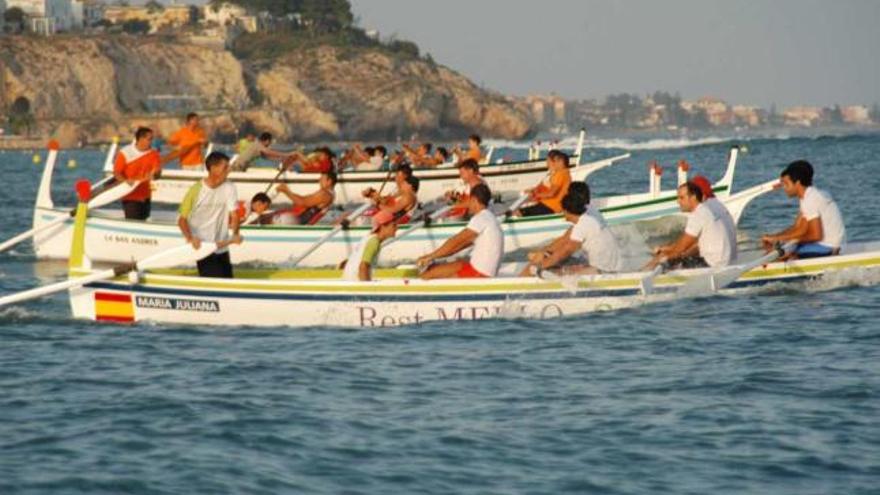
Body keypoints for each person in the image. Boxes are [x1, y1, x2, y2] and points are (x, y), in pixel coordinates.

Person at [521, 182, 622, 276]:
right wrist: (544, 252)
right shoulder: (587, 210)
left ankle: (519, 283)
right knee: (541, 256)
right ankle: (521, 280)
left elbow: (565, 252)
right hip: (608, 262)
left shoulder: (583, 223)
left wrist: (539, 267)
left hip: (602, 270)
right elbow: (565, 239)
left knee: (547, 268)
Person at [761, 160, 845, 259]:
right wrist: (775, 238)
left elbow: (816, 235)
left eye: (786, 184)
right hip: (831, 243)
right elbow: (799, 228)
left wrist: (780, 240)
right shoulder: (809, 195)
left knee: (783, 256)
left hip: (828, 246)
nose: (784, 188)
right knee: (783, 250)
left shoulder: (811, 199)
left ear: (797, 183)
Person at [643, 181, 737, 270]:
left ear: (693, 197)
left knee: (665, 260)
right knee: (671, 256)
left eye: (682, 198)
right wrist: (667, 249)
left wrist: (663, 257)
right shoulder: (706, 209)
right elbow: (688, 244)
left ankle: (641, 275)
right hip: (722, 260)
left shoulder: (698, 214)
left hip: (713, 264)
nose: (678, 201)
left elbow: (681, 248)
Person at [416, 183, 503, 279]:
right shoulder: (490, 217)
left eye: (469, 200)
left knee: (428, 275)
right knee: (455, 264)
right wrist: (434, 258)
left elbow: (455, 241)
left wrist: (430, 257)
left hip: (478, 274)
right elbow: (457, 247)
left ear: (473, 200)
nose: (468, 205)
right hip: (482, 271)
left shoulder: (480, 218)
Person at [177, 152, 243, 278]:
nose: (229, 170)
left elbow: (234, 215)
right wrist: (190, 238)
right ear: (213, 168)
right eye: (225, 167)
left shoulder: (230, 187)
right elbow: (182, 220)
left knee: (228, 284)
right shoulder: (196, 190)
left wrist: (235, 234)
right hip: (203, 246)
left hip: (222, 246)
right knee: (214, 283)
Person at [112, 126, 187, 220]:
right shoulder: (125, 152)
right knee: (133, 223)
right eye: (149, 139)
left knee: (143, 222)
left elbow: (157, 175)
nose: (151, 141)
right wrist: (126, 180)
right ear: (140, 139)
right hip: (130, 195)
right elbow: (116, 173)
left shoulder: (153, 154)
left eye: (152, 139)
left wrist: (156, 174)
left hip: (145, 195)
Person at [341, 210, 399, 281]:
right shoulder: (374, 242)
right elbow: (363, 267)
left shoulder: (369, 238)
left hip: (351, 281)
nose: (397, 228)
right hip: (356, 282)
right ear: (383, 226)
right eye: (394, 225)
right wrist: (368, 287)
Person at [516, 149, 572, 217]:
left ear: (561, 162)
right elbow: (546, 188)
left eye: (556, 161)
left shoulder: (561, 174)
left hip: (551, 206)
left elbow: (551, 193)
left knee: (517, 212)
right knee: (522, 208)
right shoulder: (563, 173)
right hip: (549, 204)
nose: (554, 163)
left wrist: (535, 195)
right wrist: (534, 193)